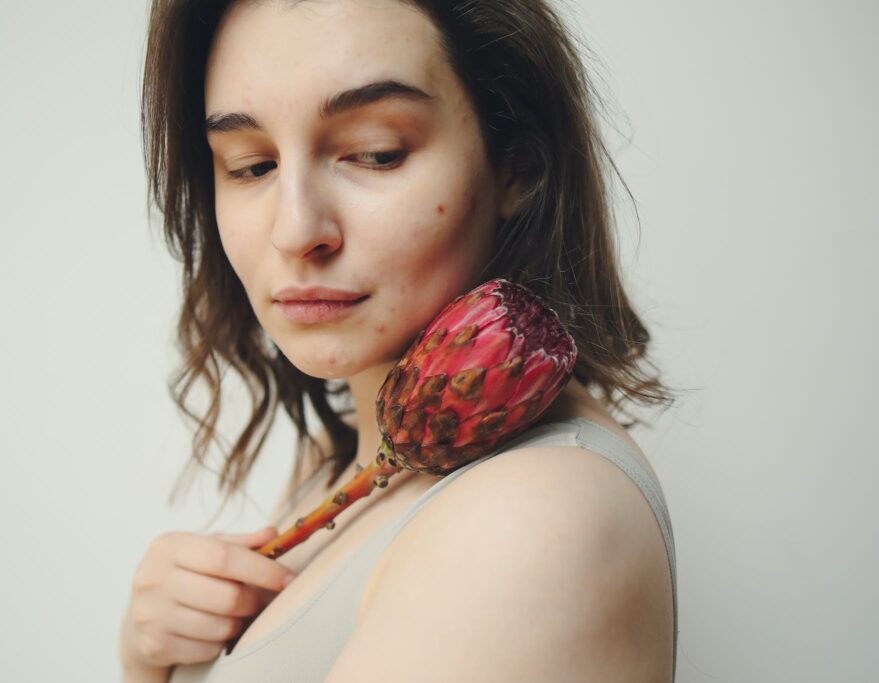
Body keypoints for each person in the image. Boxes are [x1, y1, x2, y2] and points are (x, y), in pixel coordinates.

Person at [119, 0, 680, 681]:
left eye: (375, 153)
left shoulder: (531, 516)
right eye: (249, 165)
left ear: (517, 166)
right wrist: (148, 658)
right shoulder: (336, 457)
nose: (296, 229)